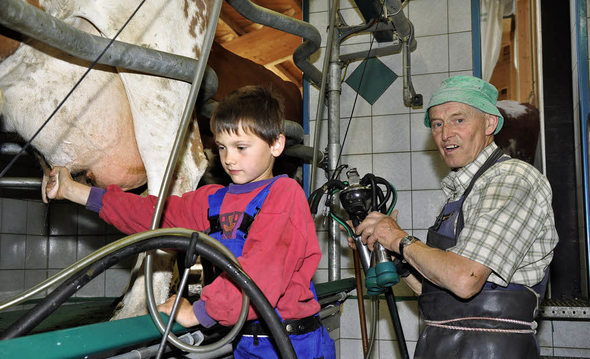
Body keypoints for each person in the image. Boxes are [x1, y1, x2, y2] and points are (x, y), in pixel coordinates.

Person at [46, 85, 336, 359]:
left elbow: (260, 272)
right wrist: (75, 191)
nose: (229, 159)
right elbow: (153, 215)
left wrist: (200, 312)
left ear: (276, 144)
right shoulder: (213, 200)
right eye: (222, 147)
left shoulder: (284, 195)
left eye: (241, 147)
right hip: (244, 340)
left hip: (292, 345)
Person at [352, 75, 558, 358]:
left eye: (458, 120)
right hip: (443, 343)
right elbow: (435, 291)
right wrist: (396, 256)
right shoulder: (460, 193)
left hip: (491, 349)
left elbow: (464, 279)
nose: (445, 133)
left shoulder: (511, 179)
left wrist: (399, 238)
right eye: (437, 124)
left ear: (489, 124)